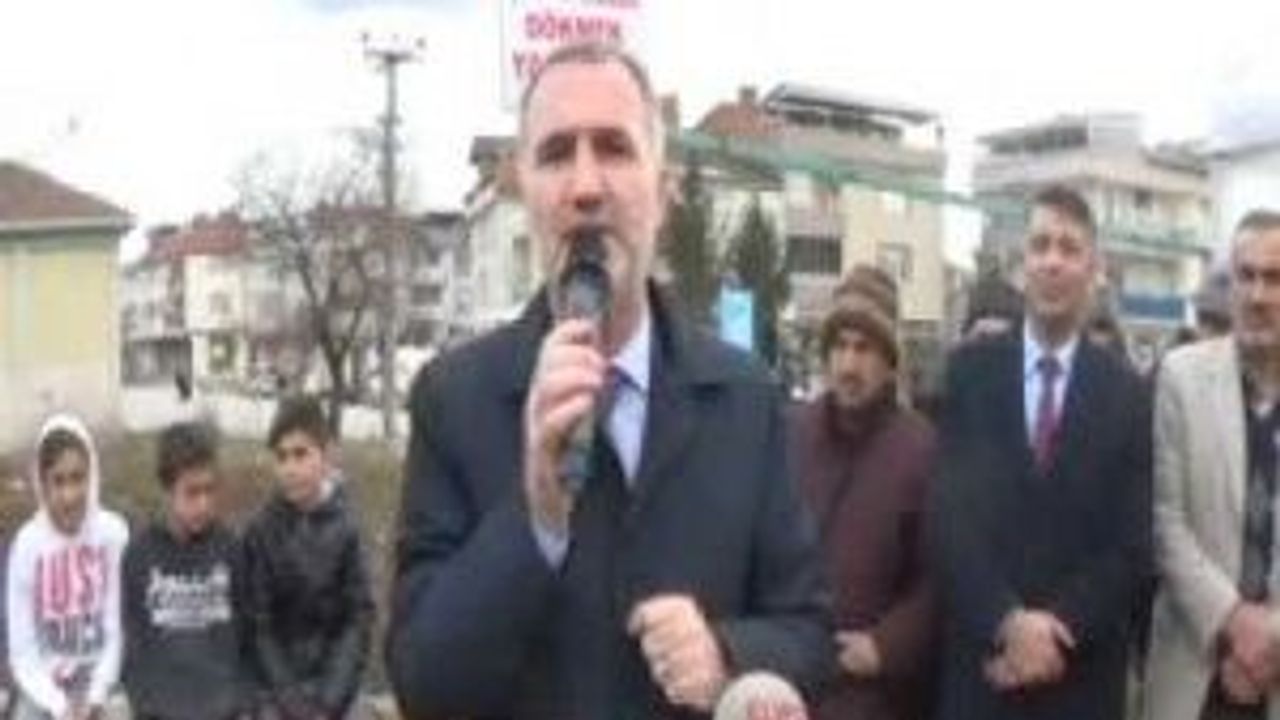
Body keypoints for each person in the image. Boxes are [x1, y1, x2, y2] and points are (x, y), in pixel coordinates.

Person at [388, 41, 830, 719]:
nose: (586, 187)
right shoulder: (454, 399)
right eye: (556, 153)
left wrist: (726, 654)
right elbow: (424, 681)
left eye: (615, 149)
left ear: (663, 190)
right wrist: (535, 517)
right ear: (525, 189)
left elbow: (809, 633)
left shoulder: (746, 400)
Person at [932, 185, 1151, 720]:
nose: (1053, 261)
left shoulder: (1128, 394)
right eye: (1041, 245)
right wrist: (1007, 622)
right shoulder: (968, 374)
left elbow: (1131, 544)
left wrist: (1057, 629)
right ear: (1021, 265)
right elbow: (948, 521)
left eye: (1069, 248)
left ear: (1094, 269)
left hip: (1080, 679)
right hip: (983, 675)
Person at [1145, 209, 1280, 719]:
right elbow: (1166, 521)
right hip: (1194, 671)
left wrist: (1271, 639)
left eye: (1275, 278)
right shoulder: (1181, 378)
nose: (1258, 295)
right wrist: (1236, 622)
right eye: (1246, 275)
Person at [790, 266, 937, 720]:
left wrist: (886, 646)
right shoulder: (791, 434)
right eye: (839, 346)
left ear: (890, 361)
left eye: (864, 349)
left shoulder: (923, 450)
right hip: (791, 687)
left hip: (876, 696)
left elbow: (941, 576)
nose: (849, 366)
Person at [242, 396, 373, 720]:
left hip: (335, 689)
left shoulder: (348, 528)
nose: (290, 468)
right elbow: (259, 627)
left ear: (326, 456)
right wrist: (293, 704)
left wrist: (328, 703)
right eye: (281, 456)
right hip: (276, 689)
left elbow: (357, 621)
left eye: (301, 454)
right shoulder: (260, 531)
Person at [122, 421, 252, 720]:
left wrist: (242, 703)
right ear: (167, 490)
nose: (203, 504)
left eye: (210, 490)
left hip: (222, 709)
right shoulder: (139, 555)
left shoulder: (231, 549)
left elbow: (246, 637)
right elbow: (134, 644)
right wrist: (146, 705)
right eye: (192, 493)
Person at [6, 414, 130, 720]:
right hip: (45, 685)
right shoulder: (27, 545)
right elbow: (22, 649)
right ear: (42, 483)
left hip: (105, 679)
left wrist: (96, 696)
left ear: (92, 476)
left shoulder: (113, 534)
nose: (69, 495)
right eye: (58, 481)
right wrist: (59, 706)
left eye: (78, 478)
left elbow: (117, 629)